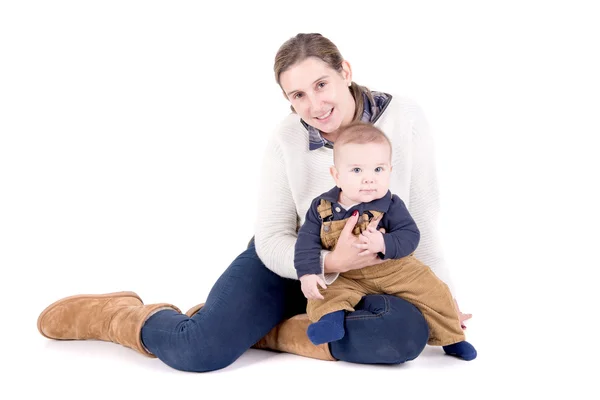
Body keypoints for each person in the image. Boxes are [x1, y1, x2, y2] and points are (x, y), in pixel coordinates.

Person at [36, 33, 472, 372]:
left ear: (345, 70)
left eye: (321, 84)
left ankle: (273, 333)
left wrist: (444, 294)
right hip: (290, 258)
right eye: (297, 96)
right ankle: (117, 316)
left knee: (406, 336)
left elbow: (423, 213)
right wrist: (327, 261)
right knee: (199, 350)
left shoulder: (404, 117)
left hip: (376, 271)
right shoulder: (286, 139)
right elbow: (272, 236)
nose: (314, 105)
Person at [295, 121, 476, 361]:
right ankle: (330, 321)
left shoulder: (391, 205)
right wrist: (307, 273)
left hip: (395, 270)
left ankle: (452, 337)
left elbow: (411, 236)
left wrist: (384, 243)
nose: (369, 179)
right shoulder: (322, 208)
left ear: (390, 171)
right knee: (323, 294)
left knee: (435, 292)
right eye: (357, 170)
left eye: (378, 170)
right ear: (336, 175)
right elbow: (306, 243)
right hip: (345, 275)